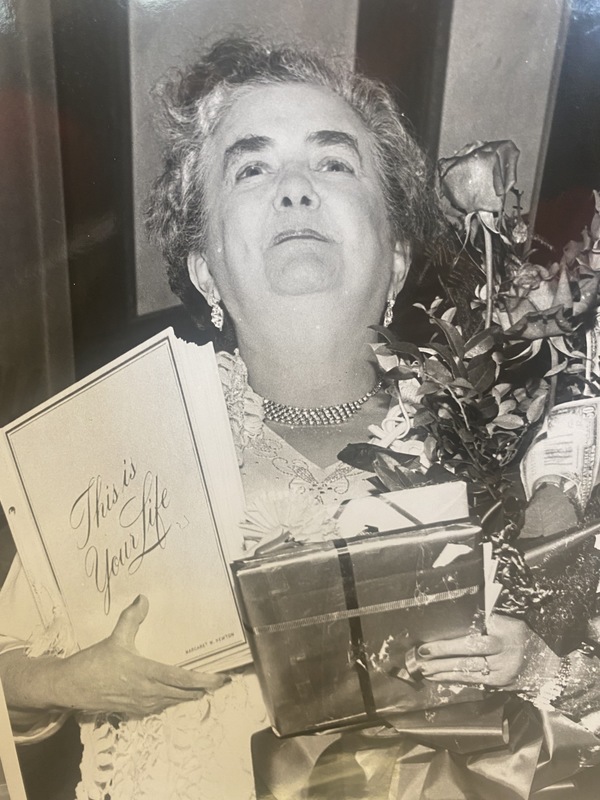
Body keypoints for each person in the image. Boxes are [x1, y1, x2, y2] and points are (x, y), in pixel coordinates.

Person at [1, 36, 599, 800]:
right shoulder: (122, 439)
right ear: (204, 267)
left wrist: (535, 662)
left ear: (396, 258)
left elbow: (585, 698)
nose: (294, 190)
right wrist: (68, 682)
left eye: (333, 162)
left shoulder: (508, 433)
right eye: (251, 167)